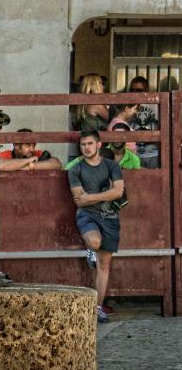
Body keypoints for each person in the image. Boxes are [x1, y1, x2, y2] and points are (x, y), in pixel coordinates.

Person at [68, 130, 125, 323]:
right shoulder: (75, 169)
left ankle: (98, 308)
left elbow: (118, 192)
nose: (86, 148)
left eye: (90, 144)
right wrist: (103, 196)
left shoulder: (111, 166)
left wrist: (91, 197)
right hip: (87, 215)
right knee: (94, 242)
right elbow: (79, 200)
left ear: (99, 145)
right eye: (83, 144)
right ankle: (91, 249)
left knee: (104, 264)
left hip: (110, 217)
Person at [71, 74, 108, 161]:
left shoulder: (83, 104)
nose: (103, 86)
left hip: (87, 145)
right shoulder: (95, 104)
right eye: (101, 83)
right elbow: (113, 119)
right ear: (94, 85)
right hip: (97, 148)